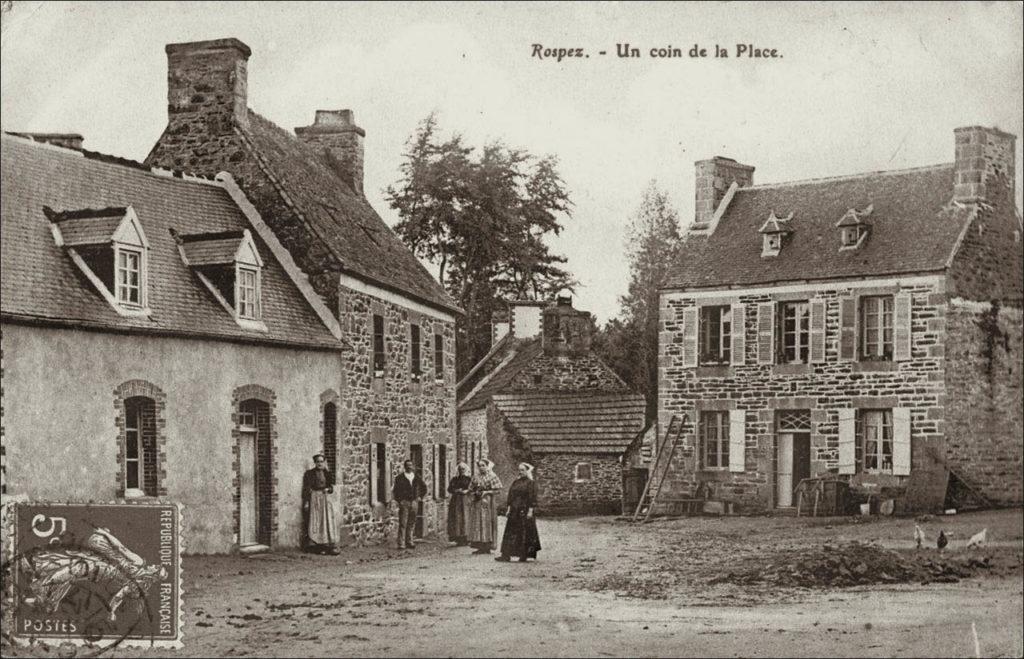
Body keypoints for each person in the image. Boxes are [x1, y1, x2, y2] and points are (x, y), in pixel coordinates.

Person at [496, 462, 541, 563]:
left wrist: (530, 511)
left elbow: (532, 498)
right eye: (519, 470)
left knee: (523, 532)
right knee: (510, 532)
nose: (520, 472)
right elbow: (510, 496)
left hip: (524, 510)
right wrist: (508, 509)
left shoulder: (531, 483)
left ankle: (523, 555)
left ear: (527, 471)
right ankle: (506, 555)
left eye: (523, 470)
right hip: (514, 510)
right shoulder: (516, 482)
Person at [302, 454, 340, 555]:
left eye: (321, 461)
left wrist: (328, 489)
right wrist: (306, 502)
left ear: (324, 462)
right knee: (316, 520)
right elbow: (306, 489)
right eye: (318, 462)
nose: (320, 463)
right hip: (314, 498)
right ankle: (316, 546)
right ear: (315, 463)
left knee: (326, 520)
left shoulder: (327, 473)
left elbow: (331, 487)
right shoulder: (309, 474)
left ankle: (327, 545)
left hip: (325, 498)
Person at [467, 458, 502, 554]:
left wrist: (487, 492)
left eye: (483, 465)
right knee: (478, 522)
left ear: (487, 466)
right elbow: (470, 488)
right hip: (477, 502)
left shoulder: (492, 476)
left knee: (487, 522)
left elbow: (498, 490)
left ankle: (487, 546)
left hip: (488, 502)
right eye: (480, 466)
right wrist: (475, 493)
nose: (481, 468)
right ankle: (479, 545)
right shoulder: (476, 476)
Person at [392, 459, 427, 549]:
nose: (409, 467)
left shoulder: (416, 477)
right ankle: (401, 543)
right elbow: (396, 491)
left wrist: (419, 497)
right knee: (403, 523)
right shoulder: (400, 478)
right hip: (405, 502)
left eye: (411, 465)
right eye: (407, 465)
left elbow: (424, 487)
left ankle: (409, 541)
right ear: (404, 466)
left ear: (413, 466)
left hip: (414, 502)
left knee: (411, 522)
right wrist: (400, 501)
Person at [446, 462, 473, 545]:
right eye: (460, 469)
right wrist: (456, 490)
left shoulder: (469, 479)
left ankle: (467, 538)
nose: (461, 470)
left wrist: (467, 491)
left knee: (466, 517)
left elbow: (473, 488)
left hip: (466, 500)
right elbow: (449, 489)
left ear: (466, 470)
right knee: (457, 518)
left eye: (463, 469)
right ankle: (458, 538)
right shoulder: (454, 479)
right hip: (456, 500)